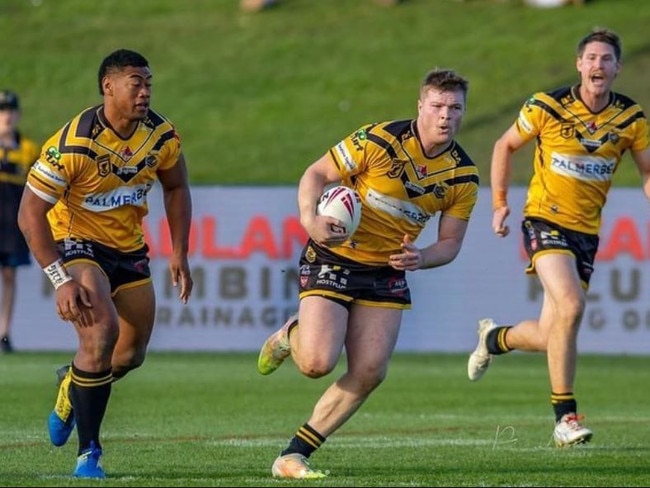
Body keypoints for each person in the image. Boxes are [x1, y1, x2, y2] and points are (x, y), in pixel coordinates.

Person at [257, 68, 479, 479]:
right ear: (420, 107)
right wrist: (310, 219)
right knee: (316, 363)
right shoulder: (379, 140)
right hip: (336, 255)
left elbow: (450, 244)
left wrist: (422, 258)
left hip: (386, 271)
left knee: (371, 370)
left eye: (455, 108)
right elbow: (317, 173)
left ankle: (294, 455)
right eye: (437, 106)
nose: (446, 115)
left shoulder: (462, 177)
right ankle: (291, 334)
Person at [467, 27, 650, 448]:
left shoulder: (630, 119)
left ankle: (494, 338)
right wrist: (498, 203)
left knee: (555, 332)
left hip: (586, 233)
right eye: (591, 58)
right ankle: (564, 417)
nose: (598, 65)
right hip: (543, 220)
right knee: (572, 304)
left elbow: (646, 173)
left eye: (607, 59)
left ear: (618, 68)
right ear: (579, 65)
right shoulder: (547, 105)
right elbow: (504, 145)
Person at [17, 49, 193, 478]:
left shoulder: (161, 135)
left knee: (129, 355)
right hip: (77, 244)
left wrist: (179, 251)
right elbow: (29, 214)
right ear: (108, 86)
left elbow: (176, 186)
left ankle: (70, 384)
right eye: (136, 82)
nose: (146, 91)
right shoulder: (72, 143)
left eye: (149, 82)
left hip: (129, 249)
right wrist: (59, 279)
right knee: (101, 333)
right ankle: (89, 453)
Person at [0, 90, 39, 353]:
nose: (7, 116)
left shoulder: (28, 149)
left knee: (9, 275)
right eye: (3, 110)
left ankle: (4, 333)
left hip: (11, 221)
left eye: (11, 110)